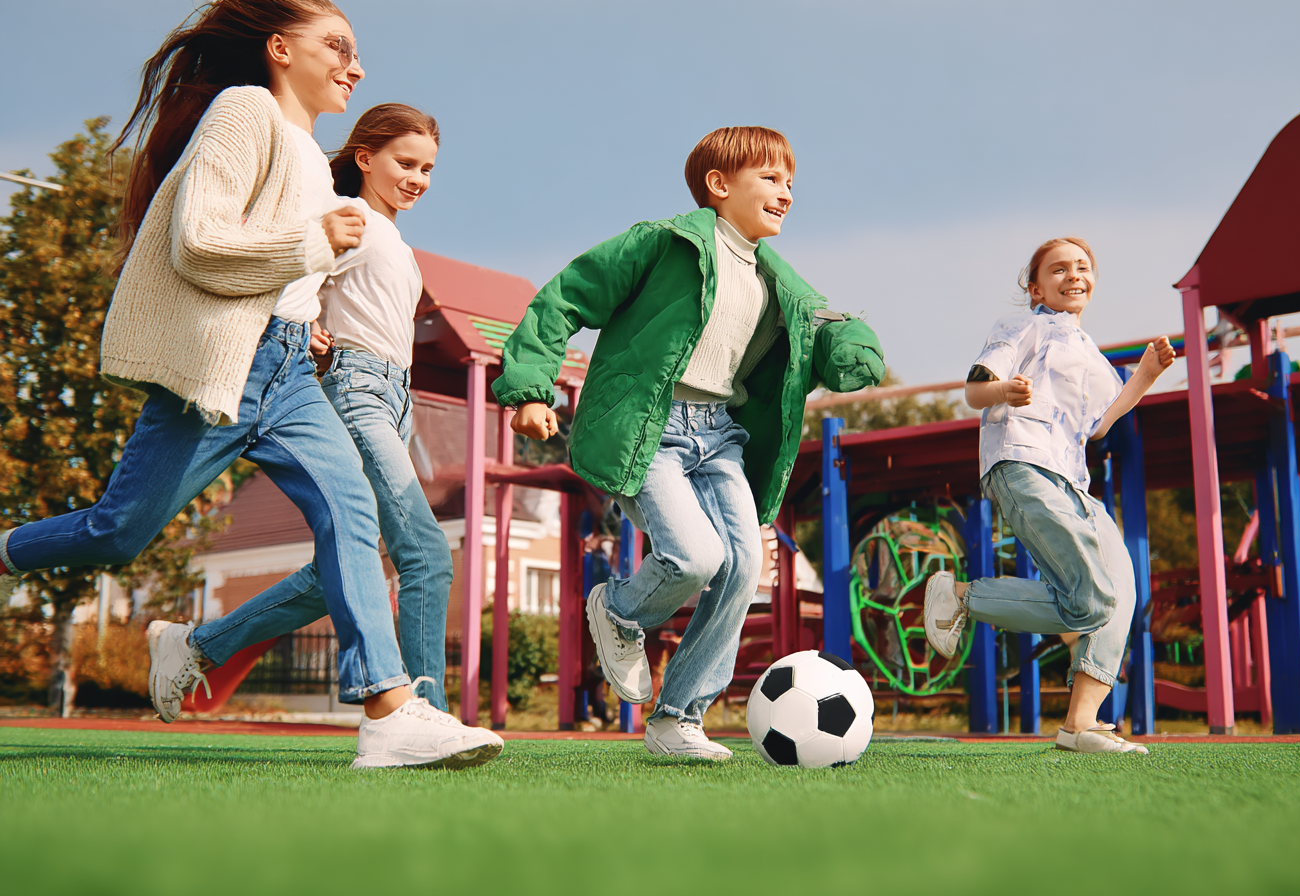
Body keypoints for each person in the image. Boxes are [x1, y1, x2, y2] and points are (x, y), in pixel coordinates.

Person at [0, 0, 497, 770]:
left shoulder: (306, 151)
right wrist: (310, 246)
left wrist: (309, 316)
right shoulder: (244, 111)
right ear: (278, 47)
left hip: (294, 371)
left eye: (356, 51)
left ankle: (389, 711)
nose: (354, 66)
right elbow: (200, 241)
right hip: (224, 371)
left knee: (351, 512)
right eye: (336, 46)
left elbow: (281, 273)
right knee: (117, 532)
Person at [493, 127, 886, 760]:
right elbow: (566, 297)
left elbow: (826, 331)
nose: (786, 192)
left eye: (791, 182)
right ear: (719, 185)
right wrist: (530, 388)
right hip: (651, 425)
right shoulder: (663, 243)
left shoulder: (780, 282)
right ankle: (621, 612)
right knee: (696, 557)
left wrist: (852, 350)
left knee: (743, 567)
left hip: (720, 436)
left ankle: (678, 717)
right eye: (771, 178)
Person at [184, 103, 465, 722]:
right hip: (355, 389)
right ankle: (424, 714)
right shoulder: (352, 218)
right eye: (405, 162)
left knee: (352, 561)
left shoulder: (394, 237)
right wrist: (304, 326)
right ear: (365, 158)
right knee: (424, 552)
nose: (418, 178)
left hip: (396, 399)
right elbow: (284, 279)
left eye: (428, 168)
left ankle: (200, 646)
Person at [923, 236, 1174, 754]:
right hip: (1022, 463)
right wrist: (1002, 392)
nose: (1073, 275)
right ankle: (962, 597)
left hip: (1073, 481)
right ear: (1036, 287)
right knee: (1092, 597)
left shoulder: (1087, 351)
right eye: (1059, 269)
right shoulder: (1023, 326)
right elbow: (974, 390)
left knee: (1118, 593)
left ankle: (1079, 725)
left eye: (1082, 267)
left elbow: (1099, 424)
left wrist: (1146, 377)